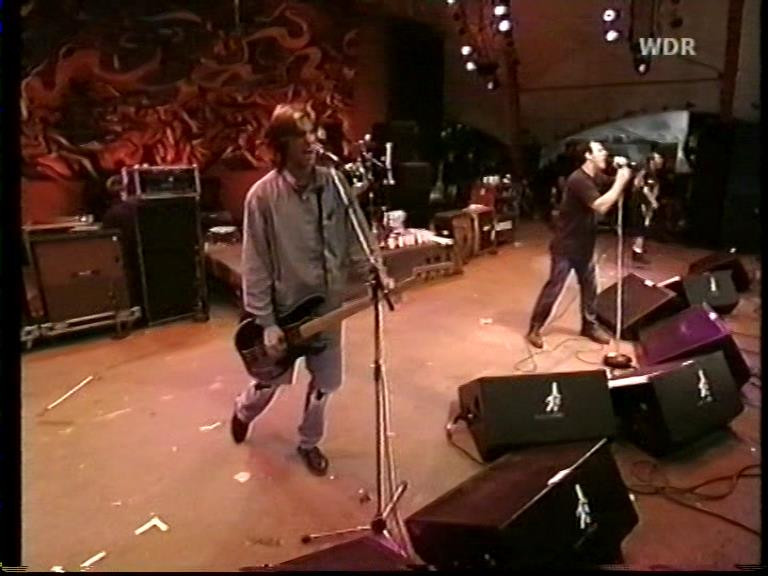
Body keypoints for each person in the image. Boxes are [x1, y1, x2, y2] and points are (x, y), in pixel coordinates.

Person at [230, 103, 387, 476]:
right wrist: (266, 321)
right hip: (284, 310)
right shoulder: (262, 197)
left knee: (326, 384)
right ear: (280, 143)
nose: (311, 141)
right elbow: (255, 263)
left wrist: (375, 271)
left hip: (328, 307)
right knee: (268, 382)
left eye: (312, 132)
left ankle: (309, 442)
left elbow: (357, 235)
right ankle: (243, 410)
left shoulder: (335, 184)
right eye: (299, 134)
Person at [526, 140, 633, 349]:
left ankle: (589, 326)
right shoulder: (578, 180)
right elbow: (601, 205)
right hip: (566, 245)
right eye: (600, 150)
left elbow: (611, 183)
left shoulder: (595, 177)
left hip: (584, 245)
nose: (605, 153)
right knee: (555, 287)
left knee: (590, 287)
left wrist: (624, 171)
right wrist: (621, 181)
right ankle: (535, 328)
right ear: (588, 155)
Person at [628, 151, 665, 264]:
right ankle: (637, 252)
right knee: (640, 228)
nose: (661, 161)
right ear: (652, 160)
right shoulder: (646, 172)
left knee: (643, 226)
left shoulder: (653, 174)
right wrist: (653, 202)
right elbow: (645, 189)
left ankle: (637, 249)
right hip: (640, 203)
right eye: (659, 158)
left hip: (645, 204)